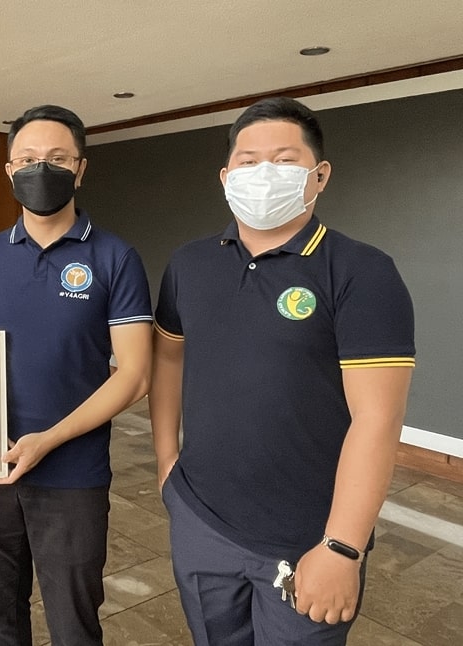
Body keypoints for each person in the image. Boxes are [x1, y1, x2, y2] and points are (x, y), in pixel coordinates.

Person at [149, 96, 415, 645]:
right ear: (225, 176)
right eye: (248, 161)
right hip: (200, 518)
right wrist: (166, 463)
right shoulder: (189, 264)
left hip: (308, 539)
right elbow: (168, 355)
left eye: (285, 160)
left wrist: (343, 546)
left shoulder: (362, 272)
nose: (263, 173)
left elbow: (378, 418)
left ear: (319, 176)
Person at [0, 105, 153, 646]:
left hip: (73, 474)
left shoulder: (116, 257)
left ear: (80, 168)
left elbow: (135, 375)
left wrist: (49, 440)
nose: (39, 169)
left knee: (73, 622)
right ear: (8, 169)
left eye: (56, 158)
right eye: (26, 158)